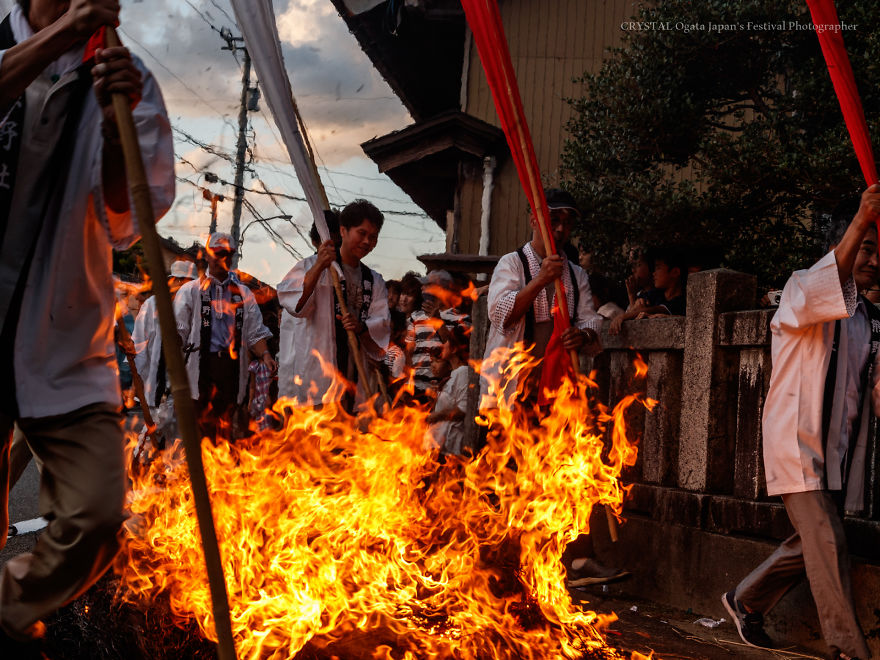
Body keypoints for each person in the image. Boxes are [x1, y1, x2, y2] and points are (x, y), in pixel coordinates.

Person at [0, 0, 174, 646]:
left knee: (96, 513)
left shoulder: (128, 79)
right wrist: (56, 42)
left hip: (66, 340)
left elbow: (127, 221)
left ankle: (7, 611)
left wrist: (111, 128)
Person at [721, 185, 880, 660]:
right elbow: (821, 285)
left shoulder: (872, 319)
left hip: (839, 450)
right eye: (866, 248)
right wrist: (862, 217)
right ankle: (847, 647)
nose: (873, 259)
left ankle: (744, 600)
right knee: (827, 538)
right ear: (840, 244)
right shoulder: (801, 288)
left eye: (879, 250)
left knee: (813, 539)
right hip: (798, 442)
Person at [481, 188, 603, 407]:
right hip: (509, 385)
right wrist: (540, 280)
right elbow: (500, 315)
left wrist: (583, 335)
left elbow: (590, 319)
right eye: (554, 220)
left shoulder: (577, 273)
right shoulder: (511, 263)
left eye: (567, 223)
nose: (560, 229)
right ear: (533, 221)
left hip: (556, 388)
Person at [276, 200, 390, 409]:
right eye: (361, 233)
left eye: (373, 237)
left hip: (355, 379)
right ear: (343, 231)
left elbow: (381, 326)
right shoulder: (310, 266)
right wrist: (320, 265)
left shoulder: (374, 280)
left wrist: (361, 327)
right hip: (317, 381)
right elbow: (295, 305)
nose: (367, 241)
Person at [174, 233, 275, 443]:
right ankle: (201, 470)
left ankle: (223, 469)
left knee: (227, 427)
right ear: (208, 255)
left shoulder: (243, 293)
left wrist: (265, 355)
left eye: (228, 254)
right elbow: (179, 330)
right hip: (201, 367)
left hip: (231, 367)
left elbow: (254, 331)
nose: (223, 259)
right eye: (218, 253)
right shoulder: (191, 291)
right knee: (200, 428)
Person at [130, 260, 197, 452]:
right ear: (174, 280)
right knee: (153, 435)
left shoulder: (195, 308)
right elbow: (139, 343)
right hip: (157, 383)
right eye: (184, 282)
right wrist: (137, 383)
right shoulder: (153, 305)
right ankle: (139, 469)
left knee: (178, 443)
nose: (187, 287)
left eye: (191, 283)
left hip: (184, 386)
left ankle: (169, 477)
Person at [609, 246, 687, 334]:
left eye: (658, 268)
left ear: (675, 272)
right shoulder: (653, 294)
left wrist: (623, 316)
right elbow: (635, 311)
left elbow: (656, 309)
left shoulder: (681, 301)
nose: (654, 273)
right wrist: (634, 302)